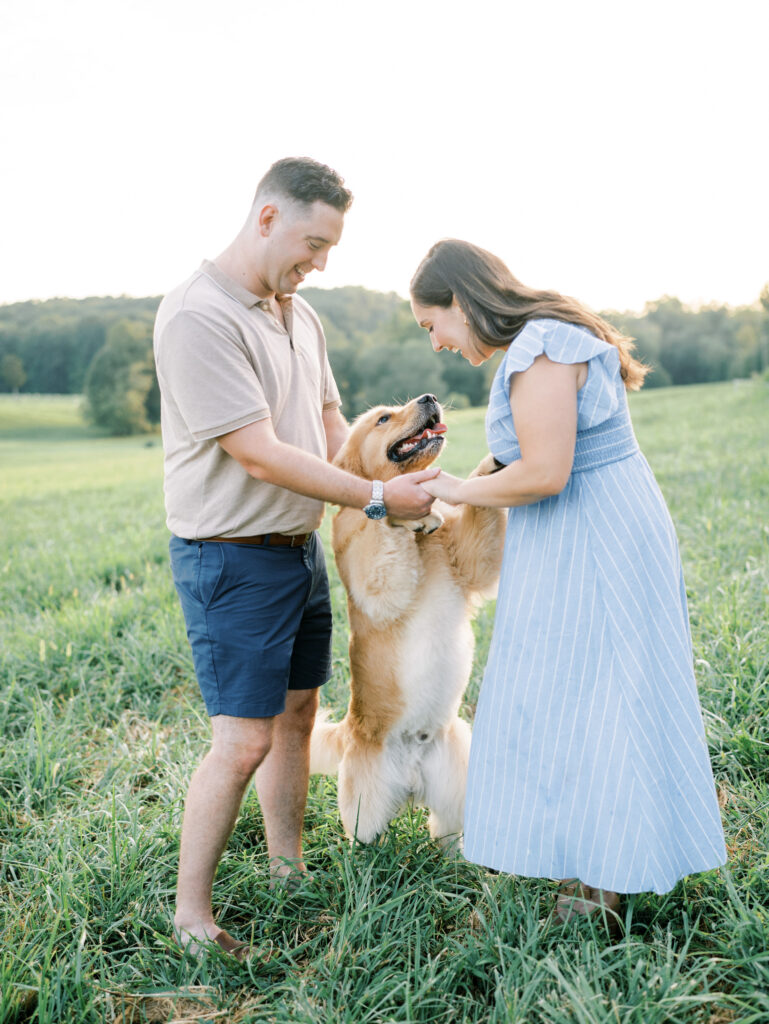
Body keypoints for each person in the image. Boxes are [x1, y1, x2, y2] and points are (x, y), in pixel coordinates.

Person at [153, 157, 438, 959]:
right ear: (267, 217)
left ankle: (287, 868)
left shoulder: (298, 315)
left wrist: (391, 466)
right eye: (313, 242)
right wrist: (376, 502)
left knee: (299, 717)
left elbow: (326, 426)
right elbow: (260, 454)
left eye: (330, 249)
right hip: (229, 558)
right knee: (241, 741)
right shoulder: (197, 317)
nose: (319, 263)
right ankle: (190, 918)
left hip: (297, 550)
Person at [409, 239, 726, 929]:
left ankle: (604, 883)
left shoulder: (544, 346)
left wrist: (459, 489)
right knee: (571, 692)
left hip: (593, 535)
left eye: (431, 324)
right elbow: (531, 453)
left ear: (459, 302)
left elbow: (547, 470)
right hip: (572, 533)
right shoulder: (543, 343)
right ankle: (585, 859)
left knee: (599, 697)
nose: (435, 343)